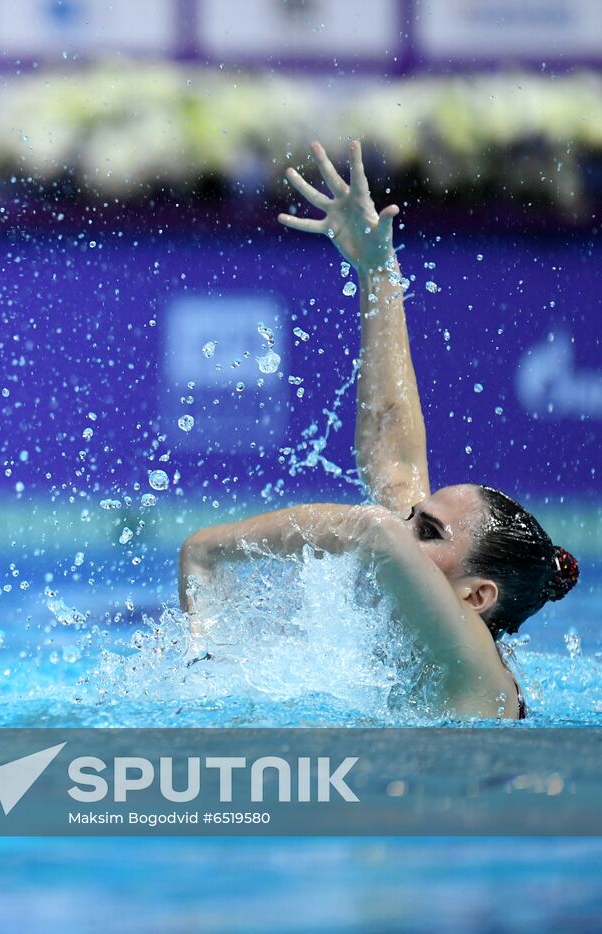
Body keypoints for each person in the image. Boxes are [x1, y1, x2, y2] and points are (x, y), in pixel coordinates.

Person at [178, 140, 580, 720]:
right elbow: (393, 455)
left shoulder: (477, 680)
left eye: (430, 530)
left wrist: (210, 547)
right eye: (417, 519)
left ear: (476, 597)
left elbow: (374, 530)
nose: (405, 523)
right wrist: (377, 270)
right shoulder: (417, 633)